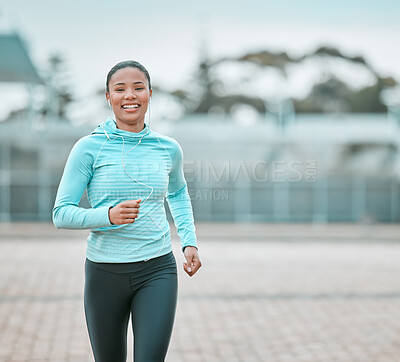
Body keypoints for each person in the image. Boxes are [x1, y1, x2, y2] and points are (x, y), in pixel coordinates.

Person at [52, 60, 202, 362]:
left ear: (149, 94)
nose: (129, 96)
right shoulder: (88, 148)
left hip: (157, 270)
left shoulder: (168, 147)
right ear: (109, 97)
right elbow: (61, 214)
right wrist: (106, 216)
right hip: (104, 273)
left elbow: (178, 193)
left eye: (138, 88)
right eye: (119, 89)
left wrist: (189, 241)